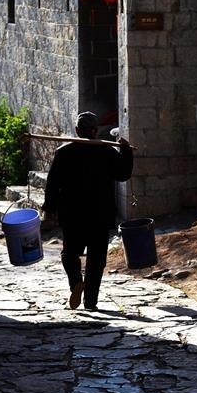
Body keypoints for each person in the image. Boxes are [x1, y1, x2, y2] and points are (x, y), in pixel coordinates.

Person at [43, 111, 133, 310]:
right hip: (100, 214)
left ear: (77, 130)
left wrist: (49, 208)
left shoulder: (64, 152)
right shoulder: (107, 151)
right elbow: (123, 174)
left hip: (72, 214)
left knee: (69, 253)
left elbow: (53, 183)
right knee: (96, 258)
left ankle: (76, 282)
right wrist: (126, 152)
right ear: (95, 131)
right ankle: (90, 301)